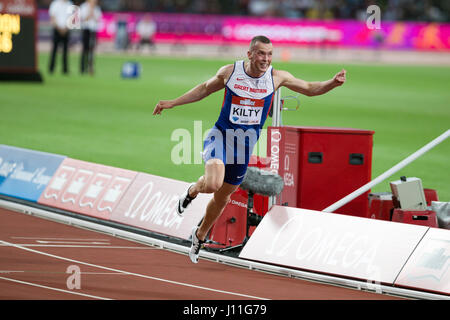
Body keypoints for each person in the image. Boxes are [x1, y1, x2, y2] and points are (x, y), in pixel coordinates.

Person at [153, 35, 346, 264]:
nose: (266, 59)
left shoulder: (277, 77)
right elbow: (204, 89)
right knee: (214, 183)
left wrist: (332, 83)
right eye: (261, 53)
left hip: (244, 146)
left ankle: (200, 233)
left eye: (270, 54)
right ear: (250, 54)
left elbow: (310, 88)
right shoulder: (230, 72)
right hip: (221, 137)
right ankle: (194, 190)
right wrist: (173, 102)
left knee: (223, 195)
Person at [48, 0, 73, 74]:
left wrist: (66, 28)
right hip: (57, 29)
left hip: (66, 29)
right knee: (54, 50)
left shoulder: (70, 4)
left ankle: (65, 69)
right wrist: (59, 28)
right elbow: (52, 17)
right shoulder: (55, 4)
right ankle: (51, 68)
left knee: (65, 50)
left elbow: (72, 18)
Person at [80, 0, 102, 75]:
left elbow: (98, 19)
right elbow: (83, 19)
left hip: (93, 30)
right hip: (86, 29)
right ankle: (83, 68)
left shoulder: (97, 8)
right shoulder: (84, 7)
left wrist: (93, 12)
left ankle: (90, 67)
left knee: (92, 50)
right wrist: (90, 12)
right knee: (85, 49)